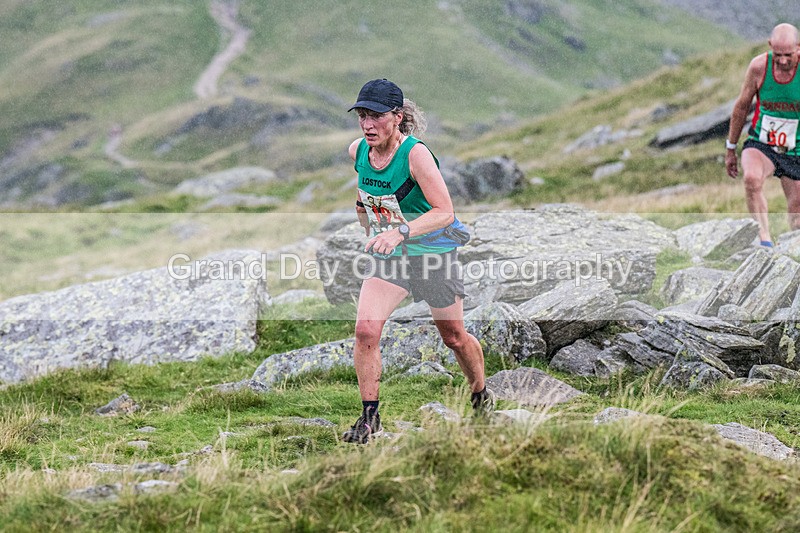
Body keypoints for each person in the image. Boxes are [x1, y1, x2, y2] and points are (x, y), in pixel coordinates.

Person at [341, 78, 492, 444]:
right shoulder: (357, 151)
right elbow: (367, 193)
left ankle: (480, 398)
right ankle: (369, 419)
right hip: (391, 258)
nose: (367, 124)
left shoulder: (415, 155)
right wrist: (368, 221)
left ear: (397, 116)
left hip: (433, 254)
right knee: (366, 331)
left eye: (376, 115)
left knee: (454, 337)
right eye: (362, 115)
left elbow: (445, 211)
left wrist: (400, 232)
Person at [726, 23, 800, 247]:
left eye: (788, 55)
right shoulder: (759, 67)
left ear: (799, 47)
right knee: (751, 179)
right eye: (778, 55)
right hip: (762, 143)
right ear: (770, 47)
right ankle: (764, 240)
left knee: (797, 207)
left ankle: (793, 250)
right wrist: (731, 148)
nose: (783, 61)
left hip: (796, 148)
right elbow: (741, 107)